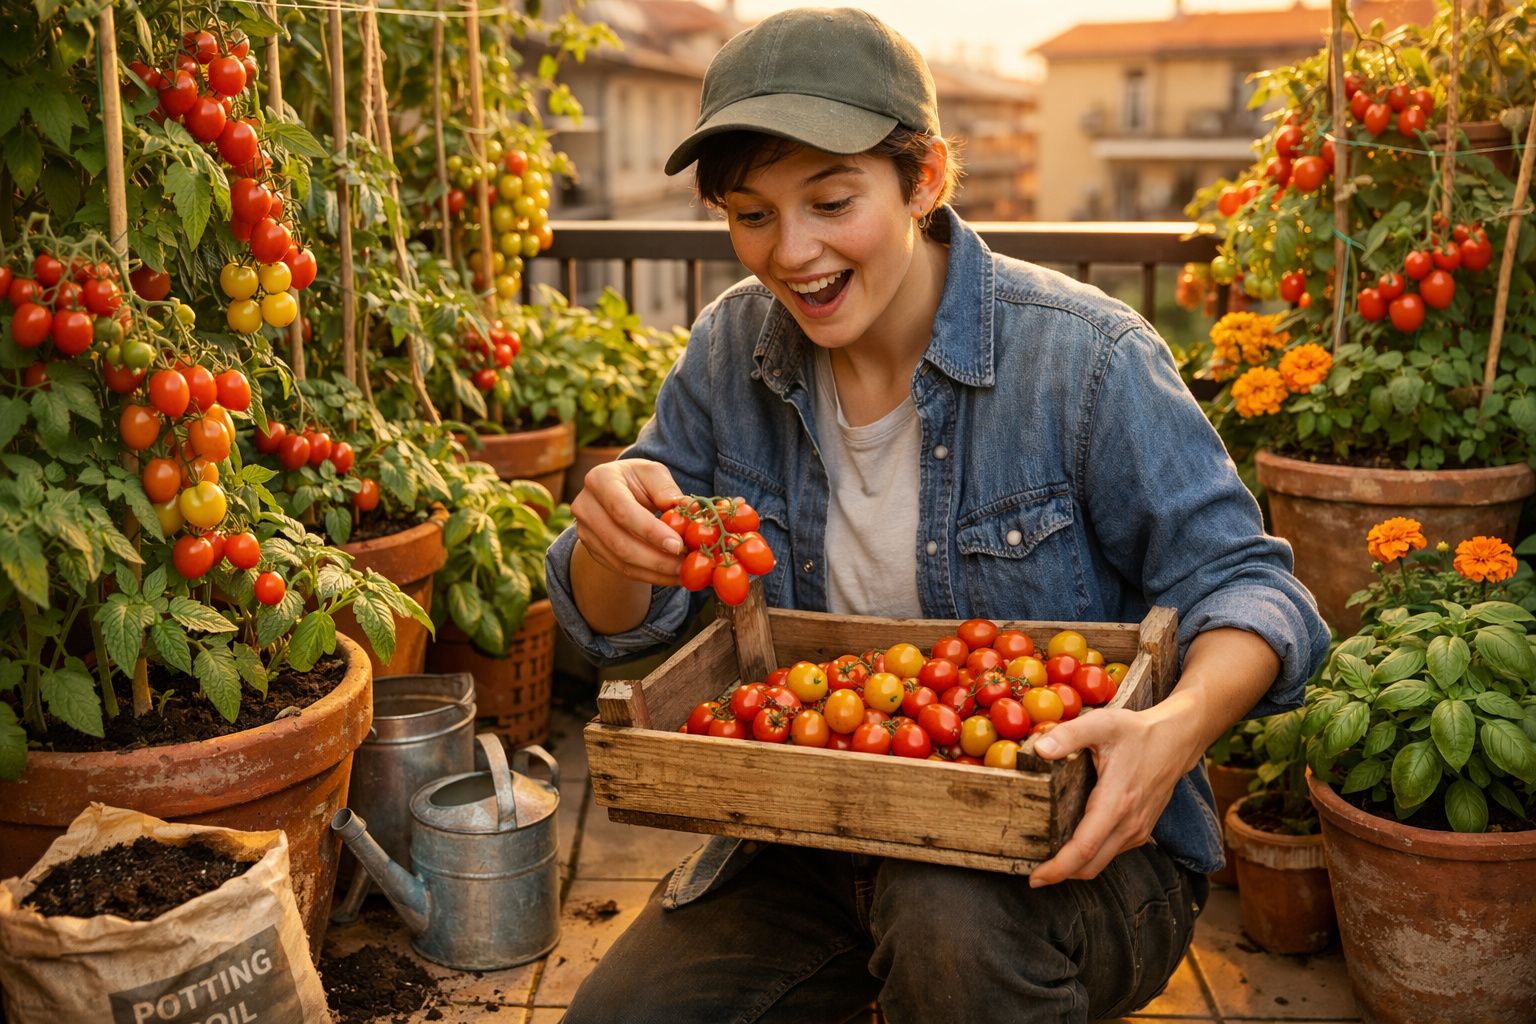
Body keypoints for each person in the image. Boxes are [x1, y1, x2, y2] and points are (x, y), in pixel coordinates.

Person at [545, 8, 1330, 1022]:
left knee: (947, 921)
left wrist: (1175, 728)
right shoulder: (730, 353)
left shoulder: (1085, 361)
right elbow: (614, 622)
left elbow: (1254, 590)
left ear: (925, 181)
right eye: (750, 214)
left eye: (832, 202)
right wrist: (617, 534)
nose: (791, 253)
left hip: (1071, 850)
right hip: (816, 836)